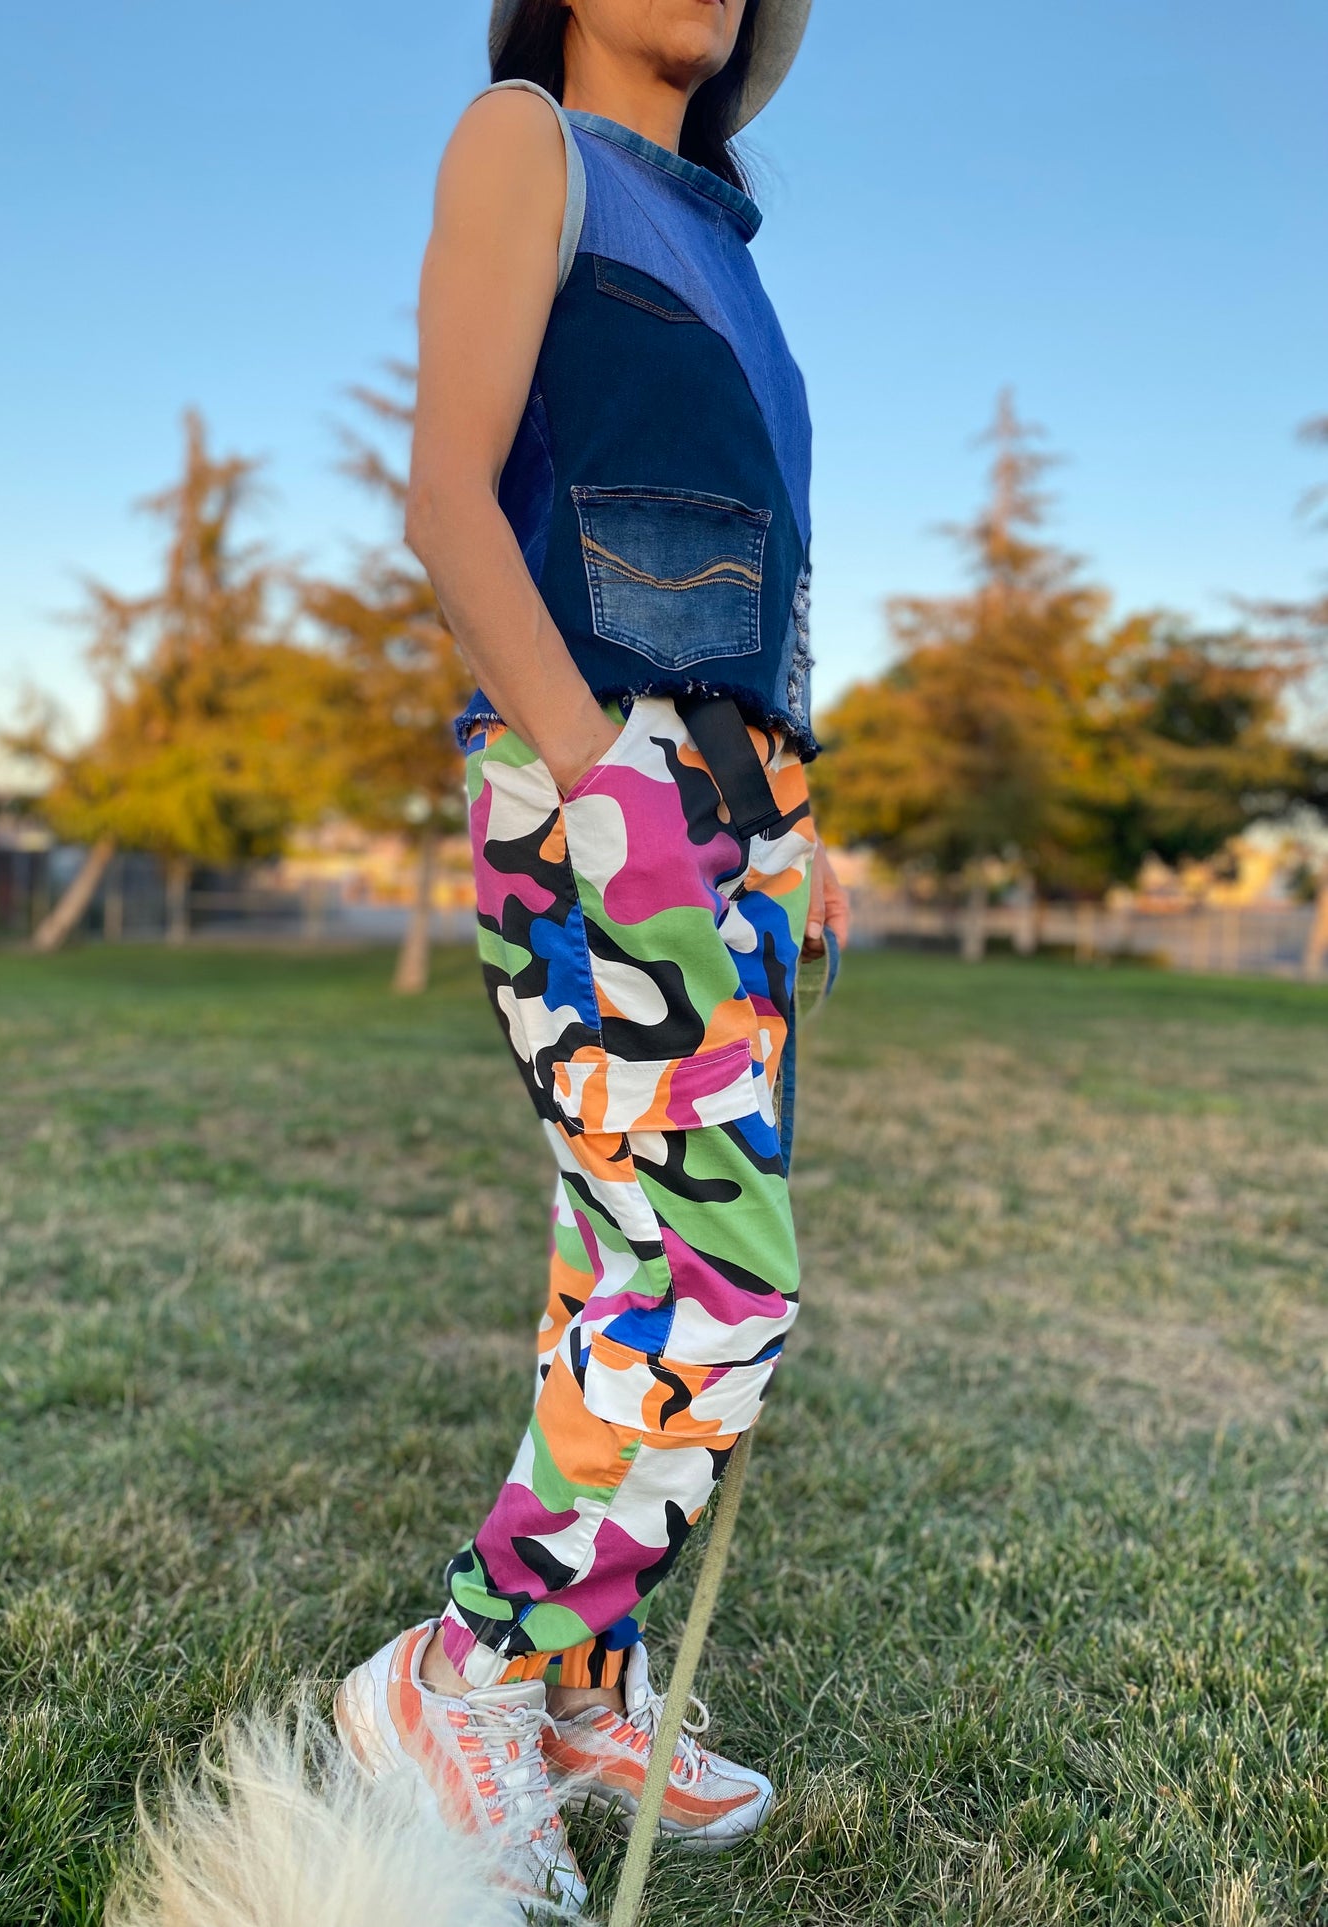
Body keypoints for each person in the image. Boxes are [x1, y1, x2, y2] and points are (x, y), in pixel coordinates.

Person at [334, 0, 848, 1913]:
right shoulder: (521, 142)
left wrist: (800, 821)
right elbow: (447, 501)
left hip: (742, 811)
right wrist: (597, 776)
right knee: (718, 1277)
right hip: (597, 779)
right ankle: (459, 1671)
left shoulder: (715, 234)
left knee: (617, 1269)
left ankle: (578, 1691)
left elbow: (762, 571)